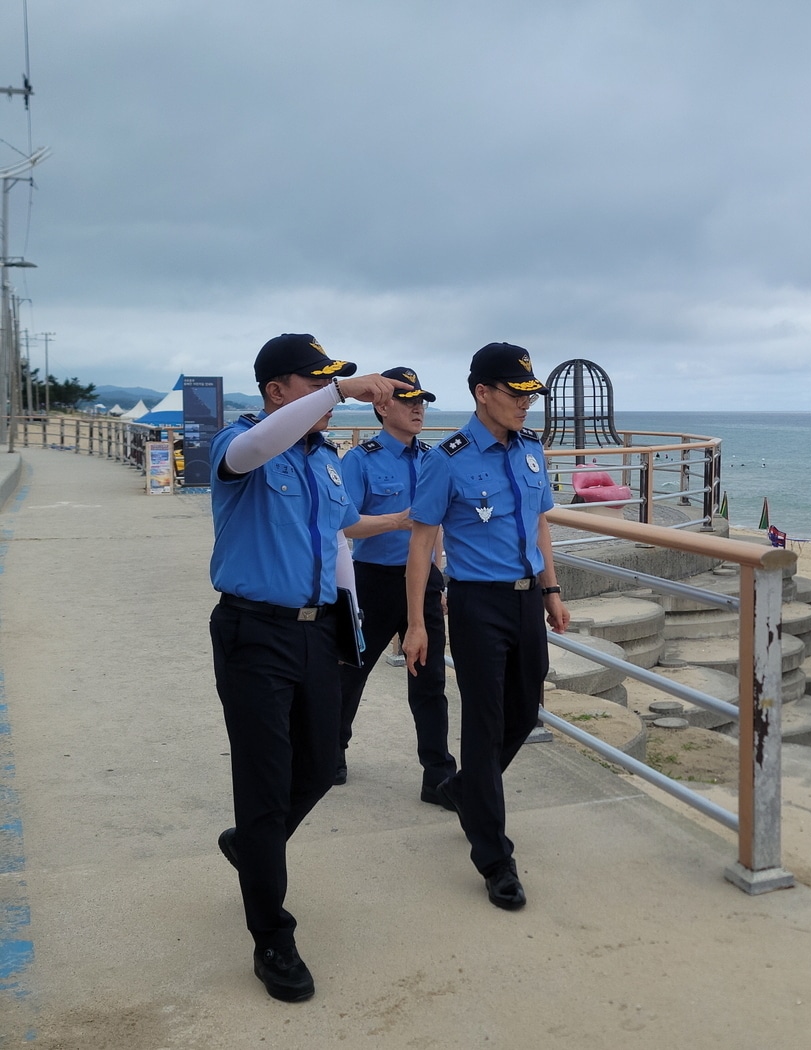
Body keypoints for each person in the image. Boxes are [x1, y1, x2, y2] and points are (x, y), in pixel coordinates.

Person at [208, 333, 407, 1002]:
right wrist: (344, 390)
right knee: (264, 788)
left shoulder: (324, 460)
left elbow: (343, 532)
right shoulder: (242, 447)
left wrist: (410, 517)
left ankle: (251, 846)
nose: (328, 397)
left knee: (321, 766)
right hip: (253, 633)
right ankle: (273, 938)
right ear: (276, 390)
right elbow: (254, 449)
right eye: (315, 384)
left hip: (316, 633)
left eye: (332, 384)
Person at [402, 342, 569, 911]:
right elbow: (422, 542)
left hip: (526, 603)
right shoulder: (445, 457)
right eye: (516, 393)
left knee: (524, 712)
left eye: (530, 394)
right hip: (475, 604)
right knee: (485, 720)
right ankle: (495, 857)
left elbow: (539, 524)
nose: (527, 404)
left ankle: (464, 788)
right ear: (482, 393)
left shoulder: (530, 451)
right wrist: (416, 624)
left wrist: (551, 590)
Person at [335, 366, 456, 803]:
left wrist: (438, 576)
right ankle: (333, 750)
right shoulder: (359, 460)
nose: (418, 408)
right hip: (375, 581)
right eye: (408, 400)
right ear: (382, 406)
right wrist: (399, 520)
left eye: (422, 401)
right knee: (352, 672)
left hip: (421, 580)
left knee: (430, 681)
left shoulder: (432, 459)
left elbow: (437, 527)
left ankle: (438, 775)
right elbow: (345, 526)